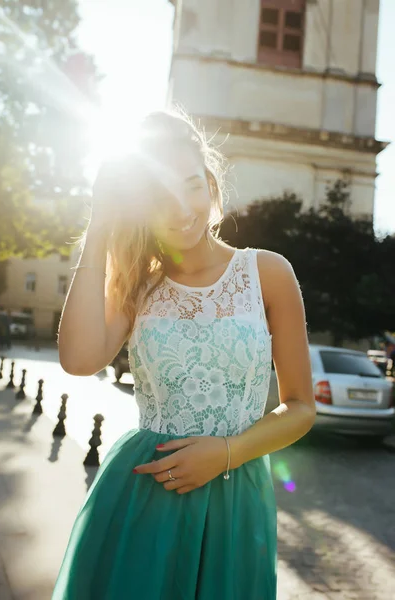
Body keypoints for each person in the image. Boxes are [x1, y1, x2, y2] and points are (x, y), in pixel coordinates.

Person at [52, 110, 315, 600]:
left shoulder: (268, 274)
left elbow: (301, 407)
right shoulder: (137, 281)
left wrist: (227, 452)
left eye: (192, 186)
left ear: (211, 184)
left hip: (236, 496)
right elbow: (79, 359)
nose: (180, 210)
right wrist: (101, 223)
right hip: (144, 494)